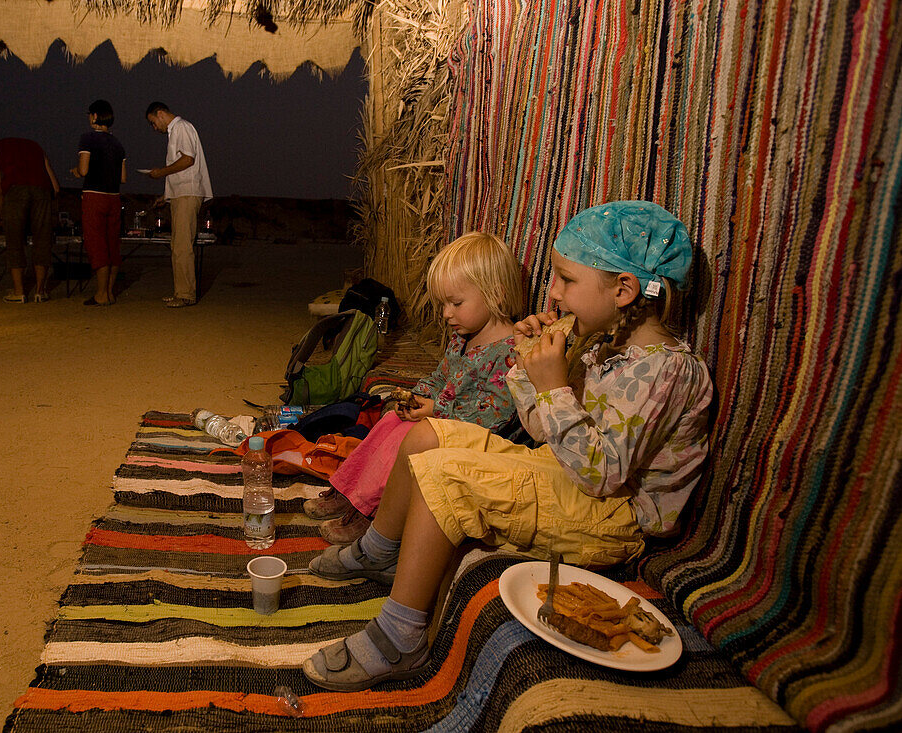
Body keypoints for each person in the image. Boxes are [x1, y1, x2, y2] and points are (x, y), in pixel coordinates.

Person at [301, 201, 714, 691]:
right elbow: (545, 431)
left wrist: (556, 386)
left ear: (623, 291)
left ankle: (400, 637)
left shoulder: (665, 371)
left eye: (566, 280)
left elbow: (601, 475)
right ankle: (379, 552)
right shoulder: (606, 349)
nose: (553, 295)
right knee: (426, 435)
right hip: (564, 474)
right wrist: (527, 369)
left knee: (446, 475)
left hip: (612, 516)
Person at [306, 232, 525, 545]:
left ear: (497, 294)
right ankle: (349, 491)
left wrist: (436, 409)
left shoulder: (508, 353)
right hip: (443, 422)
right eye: (444, 303)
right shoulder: (463, 339)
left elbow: (494, 415)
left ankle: (372, 513)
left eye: (456, 303)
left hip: (477, 440)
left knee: (402, 437)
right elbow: (440, 377)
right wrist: (418, 396)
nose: (447, 313)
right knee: (391, 421)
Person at [144, 101, 213, 307]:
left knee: (183, 245)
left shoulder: (181, 127)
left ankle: (185, 294)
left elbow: (187, 160)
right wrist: (166, 195)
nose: (154, 127)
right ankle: (180, 291)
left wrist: (160, 172)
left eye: (153, 122)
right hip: (180, 193)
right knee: (178, 244)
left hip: (188, 193)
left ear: (160, 113)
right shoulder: (176, 131)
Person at [0, 138, 60, 303]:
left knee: (14, 241)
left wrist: (2, 213)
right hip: (42, 190)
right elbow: (55, 187)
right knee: (42, 240)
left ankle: (19, 292)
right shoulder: (37, 147)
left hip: (15, 192)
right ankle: (40, 291)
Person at [71, 100, 126, 306]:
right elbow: (123, 177)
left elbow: (84, 170)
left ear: (95, 116)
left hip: (94, 195)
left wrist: (77, 171)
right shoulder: (118, 144)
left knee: (96, 243)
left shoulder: (88, 139)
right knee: (112, 243)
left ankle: (101, 293)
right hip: (114, 197)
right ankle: (109, 293)